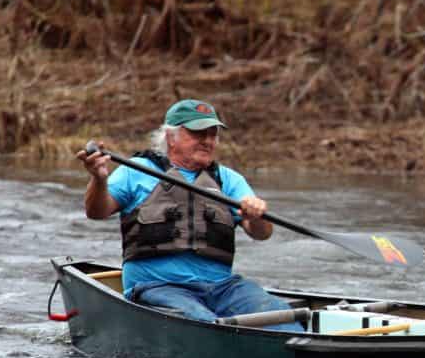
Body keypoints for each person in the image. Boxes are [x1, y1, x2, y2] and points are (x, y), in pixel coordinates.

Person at [75, 99, 304, 332]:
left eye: (212, 134)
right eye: (198, 133)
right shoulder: (135, 170)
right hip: (158, 288)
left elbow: (262, 234)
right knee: (201, 322)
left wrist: (256, 216)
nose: (207, 141)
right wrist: (99, 179)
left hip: (222, 289)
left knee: (280, 317)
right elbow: (96, 211)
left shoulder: (229, 180)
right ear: (170, 137)